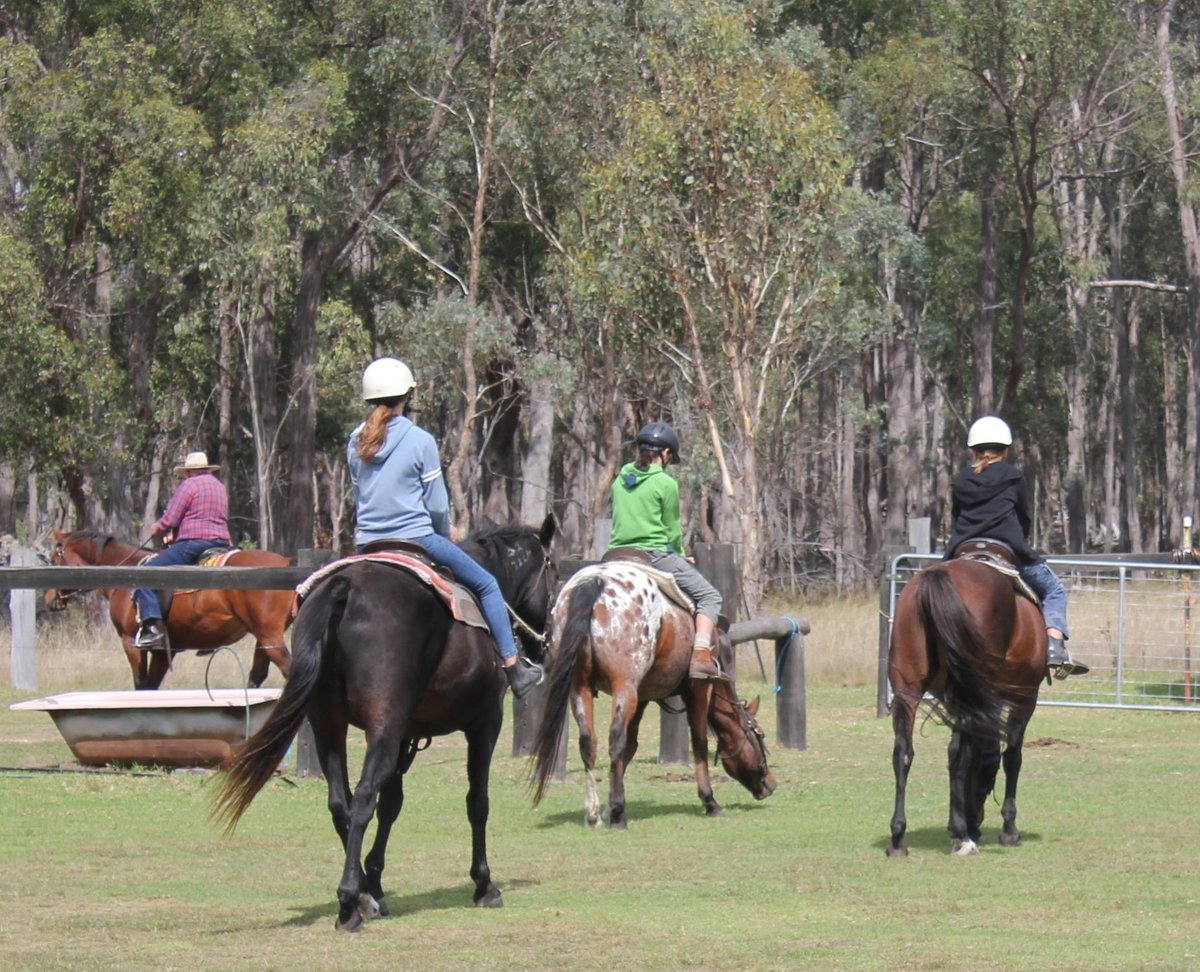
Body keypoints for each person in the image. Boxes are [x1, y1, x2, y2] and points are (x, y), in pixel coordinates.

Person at [346, 357, 544, 699]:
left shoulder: (355, 440)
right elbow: (437, 505)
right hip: (415, 537)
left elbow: (358, 493)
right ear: (408, 396)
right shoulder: (420, 440)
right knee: (486, 585)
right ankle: (514, 666)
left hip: (368, 545)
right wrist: (445, 530)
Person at [945, 415, 1088, 679]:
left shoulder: (961, 480)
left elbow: (956, 518)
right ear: (1006, 450)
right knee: (1055, 590)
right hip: (1005, 548)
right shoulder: (1014, 476)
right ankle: (1055, 649)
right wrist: (1021, 543)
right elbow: (1023, 517)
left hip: (963, 549)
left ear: (972, 451)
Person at [608, 421, 726, 681]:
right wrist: (679, 553)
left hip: (616, 554)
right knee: (710, 597)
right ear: (666, 454)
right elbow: (672, 530)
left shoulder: (621, 478)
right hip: (653, 555)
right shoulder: (665, 483)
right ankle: (701, 656)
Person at [133, 451, 232, 649]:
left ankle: (153, 628)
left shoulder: (189, 485)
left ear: (189, 472)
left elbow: (171, 518)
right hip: (221, 543)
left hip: (194, 543)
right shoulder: (219, 487)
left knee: (145, 575)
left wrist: (158, 527)